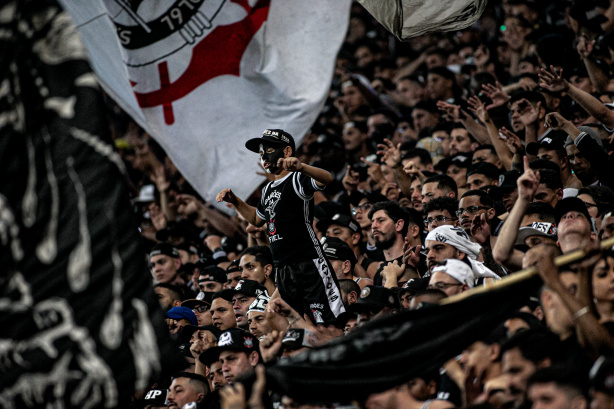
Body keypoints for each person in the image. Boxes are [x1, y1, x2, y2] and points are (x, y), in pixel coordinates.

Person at [216, 129, 344, 324]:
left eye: (268, 150)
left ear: (286, 152)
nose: (263, 157)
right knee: (296, 323)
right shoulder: (267, 189)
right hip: (283, 268)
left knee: (330, 319)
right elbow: (257, 219)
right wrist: (235, 201)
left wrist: (302, 167)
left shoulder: (297, 178)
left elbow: (326, 179)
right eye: (260, 154)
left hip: (308, 261)